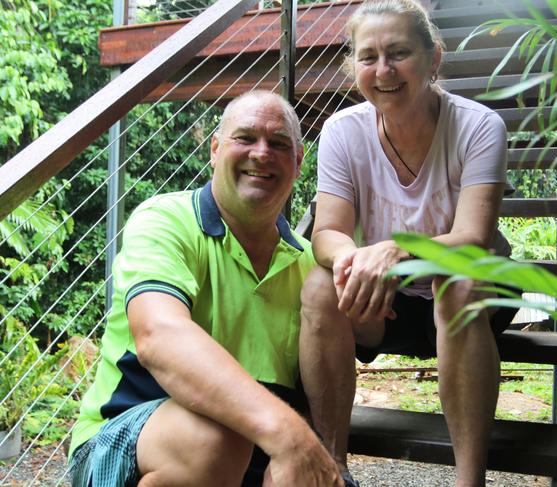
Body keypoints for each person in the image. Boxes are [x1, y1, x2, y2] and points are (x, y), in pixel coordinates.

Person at [68, 91, 343, 487]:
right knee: (214, 441)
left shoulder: (309, 265)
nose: (262, 153)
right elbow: (158, 336)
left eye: (279, 144)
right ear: (215, 150)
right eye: (245, 138)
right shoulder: (165, 220)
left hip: (252, 458)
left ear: (299, 163)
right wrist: (290, 435)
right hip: (124, 441)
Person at [299, 1, 518, 486]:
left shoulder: (479, 127)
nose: (383, 70)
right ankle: (331, 470)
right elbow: (327, 233)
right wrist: (354, 260)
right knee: (319, 287)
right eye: (368, 56)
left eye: (399, 53)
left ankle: (469, 480)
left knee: (455, 283)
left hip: (472, 295)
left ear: (433, 57)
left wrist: (397, 251)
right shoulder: (341, 131)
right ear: (352, 65)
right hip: (385, 303)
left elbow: (473, 238)